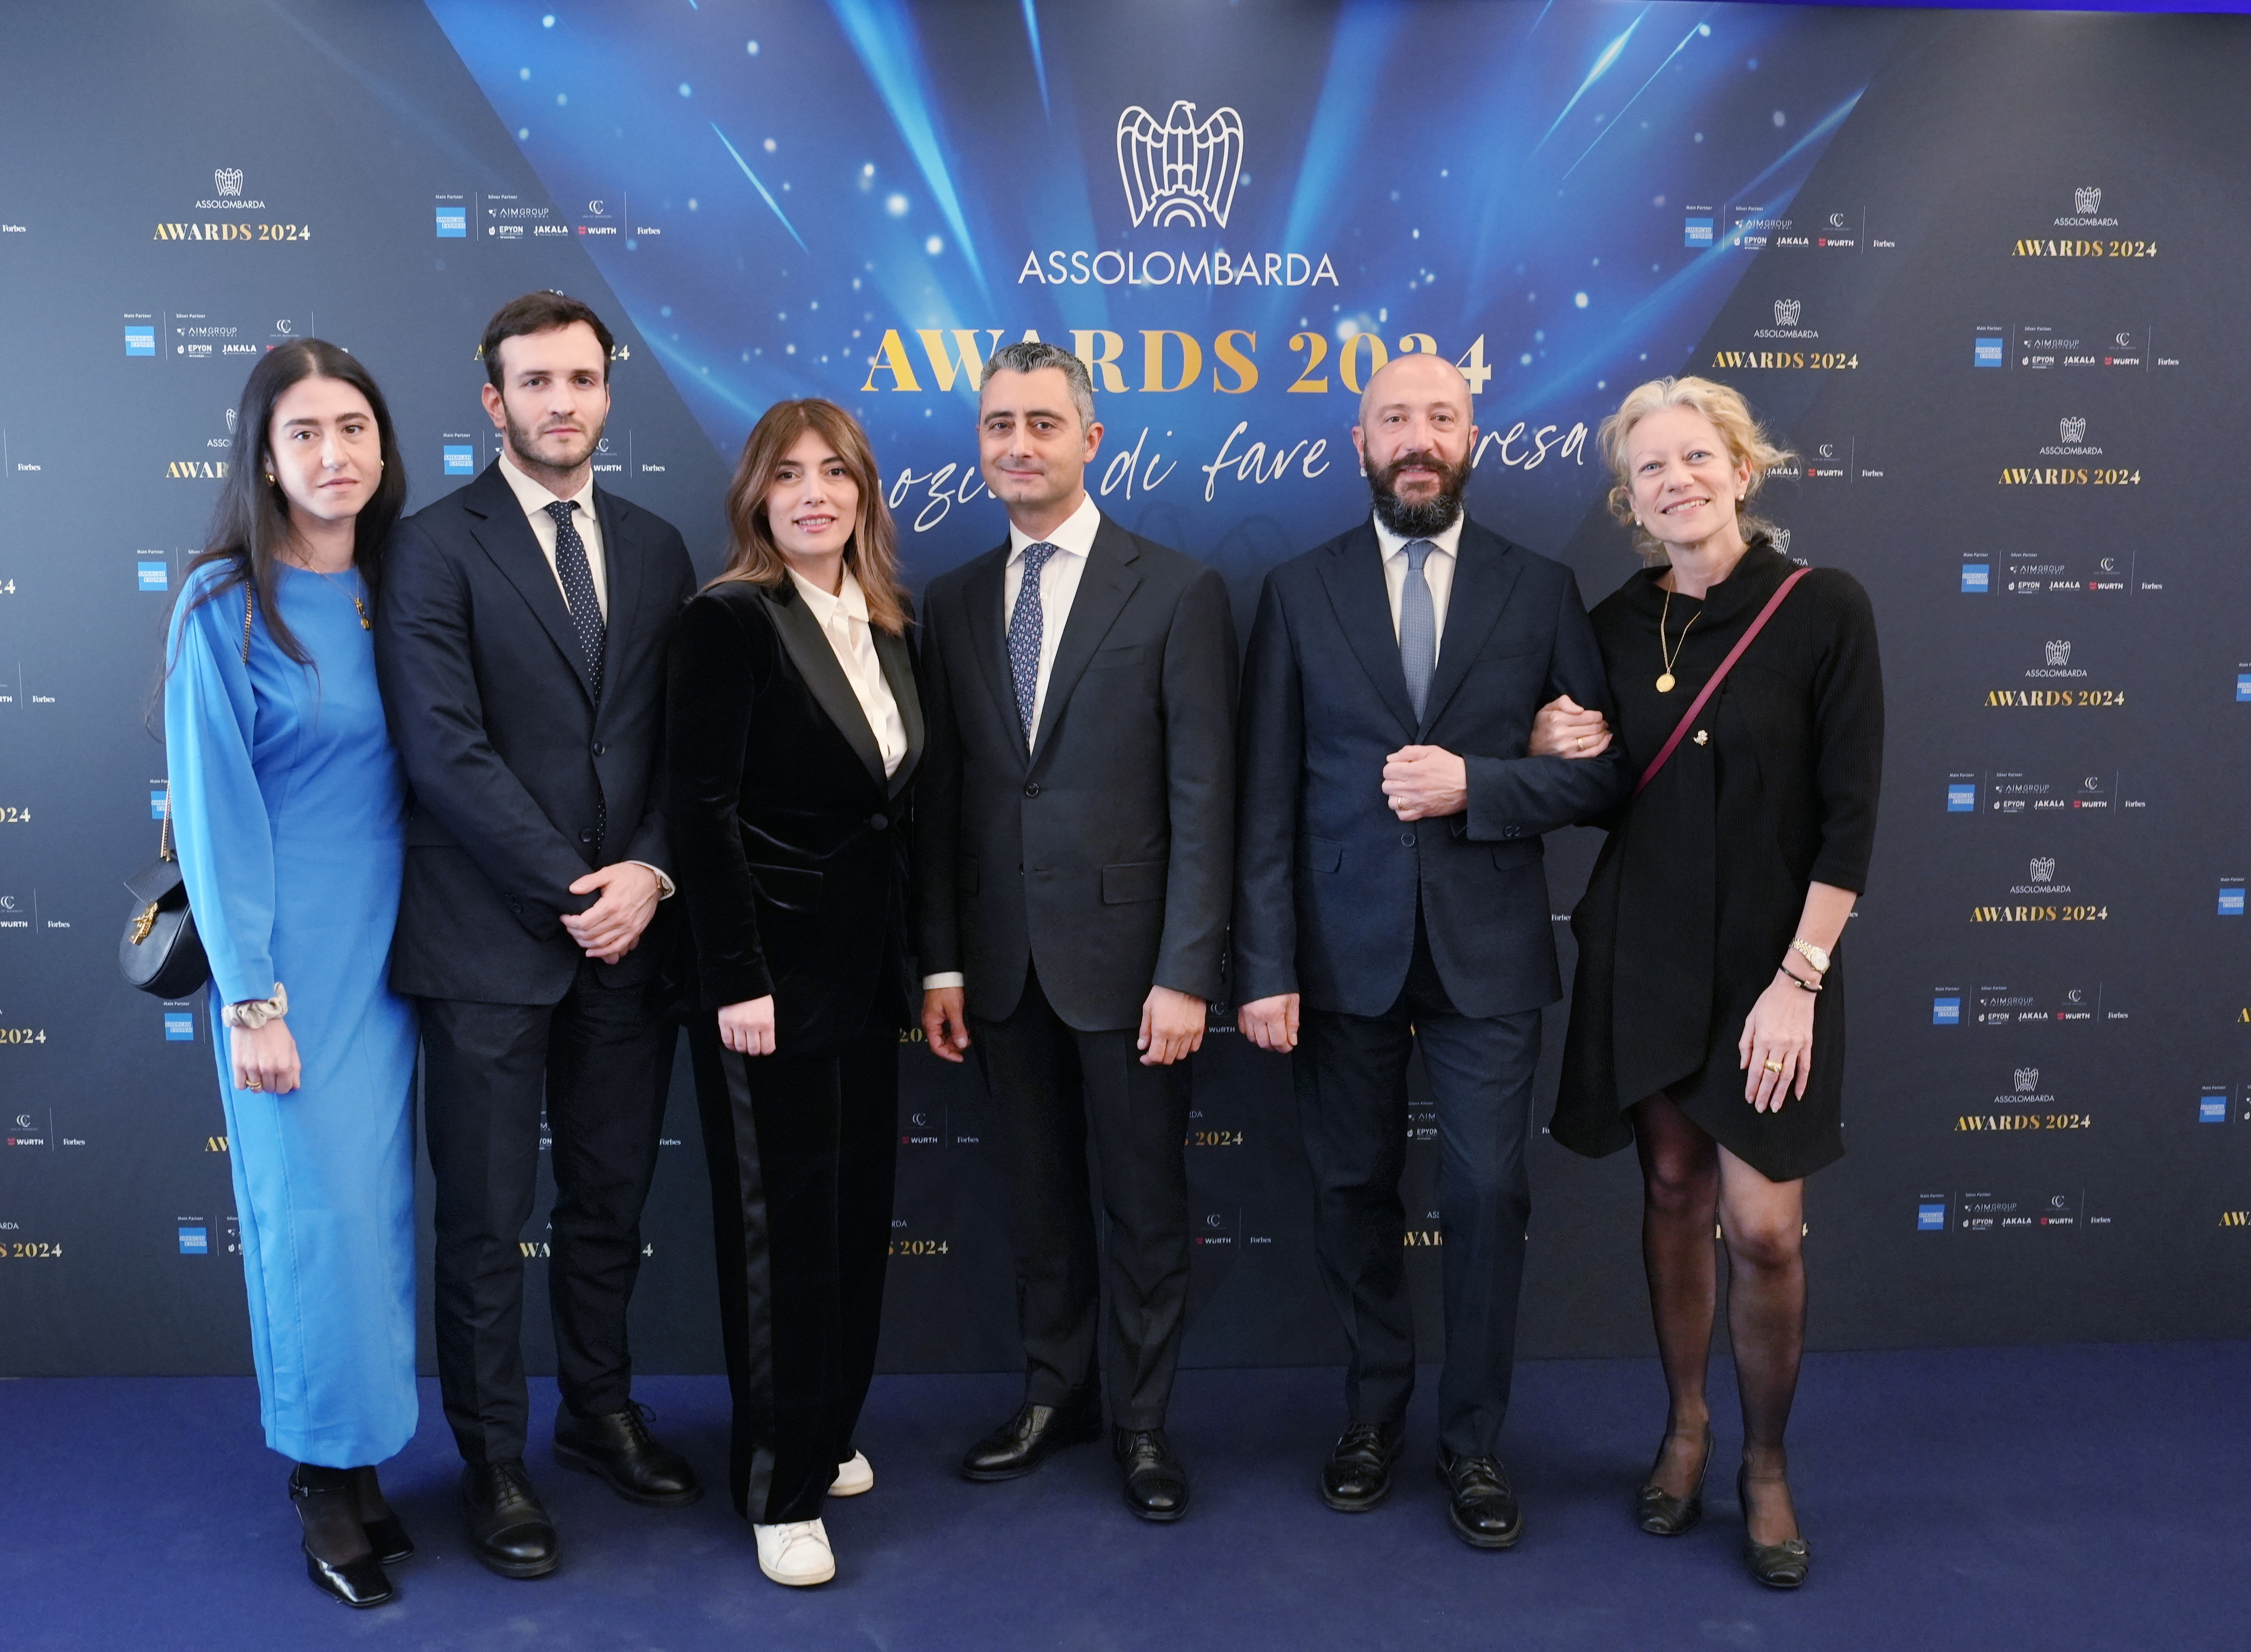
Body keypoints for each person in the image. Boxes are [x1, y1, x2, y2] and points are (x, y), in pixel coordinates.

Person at [1232, 353, 1631, 1550]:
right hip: (1335, 949)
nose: (1418, 437)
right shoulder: (1296, 591)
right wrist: (1264, 965)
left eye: (1440, 417)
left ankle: (1472, 1441)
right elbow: (1263, 796)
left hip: (1486, 948)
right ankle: (1370, 1415)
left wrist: (1482, 783)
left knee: (1486, 1192)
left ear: (1472, 440)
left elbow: (1604, 775)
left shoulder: (1540, 587)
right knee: (1350, 1189)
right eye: (1394, 417)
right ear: (1359, 442)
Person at [1535, 375, 1882, 1588]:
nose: (1674, 480)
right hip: (1644, 947)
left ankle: (1765, 1461)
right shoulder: (1611, 623)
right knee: (1673, 1188)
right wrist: (1545, 741)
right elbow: (1593, 780)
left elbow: (1849, 818)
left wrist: (1799, 979)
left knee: (1764, 1228)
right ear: (1629, 499)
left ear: (1741, 468)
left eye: (1694, 457)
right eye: (1649, 468)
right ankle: (1684, 1425)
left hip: (1771, 965)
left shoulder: (1823, 606)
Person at [374, 292, 700, 1580]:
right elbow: (444, 750)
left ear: (607, 392)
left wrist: (652, 873)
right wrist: (581, 890)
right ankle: (494, 1461)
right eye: (535, 381)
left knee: (610, 1199)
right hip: (488, 941)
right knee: (486, 1220)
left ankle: (599, 1413)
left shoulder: (658, 546)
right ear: (492, 398)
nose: (561, 402)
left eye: (580, 378)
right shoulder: (428, 547)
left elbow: (681, 745)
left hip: (633, 938)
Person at [916, 340, 1237, 1522]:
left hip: (1133, 972)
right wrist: (941, 959)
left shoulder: (1177, 590)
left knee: (1144, 1206)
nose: (1019, 444)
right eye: (999, 424)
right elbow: (942, 799)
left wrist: (1186, 970)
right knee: (1037, 1203)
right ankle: (1057, 1394)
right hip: (1000, 970)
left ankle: (1142, 1421)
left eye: (1042, 423)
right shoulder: (951, 600)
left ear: (1090, 440)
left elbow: (1205, 797)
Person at [163, 341, 417, 1609]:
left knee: (375, 1217)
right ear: (264, 458)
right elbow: (214, 816)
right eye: (305, 432)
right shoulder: (223, 602)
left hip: (399, 958)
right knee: (312, 1220)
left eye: (354, 426)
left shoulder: (400, 588)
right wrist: (252, 997)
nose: (334, 453)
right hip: (288, 967)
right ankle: (320, 1476)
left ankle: (362, 1457)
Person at [666, 399, 922, 1587]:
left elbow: (892, 812)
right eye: (787, 474)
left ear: (863, 493)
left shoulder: (888, 623)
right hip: (764, 984)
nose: (813, 493)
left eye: (834, 472)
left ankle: (828, 1428)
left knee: (854, 1218)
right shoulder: (727, 621)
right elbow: (701, 811)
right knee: (781, 1240)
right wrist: (736, 975)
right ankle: (779, 1484)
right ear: (755, 499)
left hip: (866, 978)